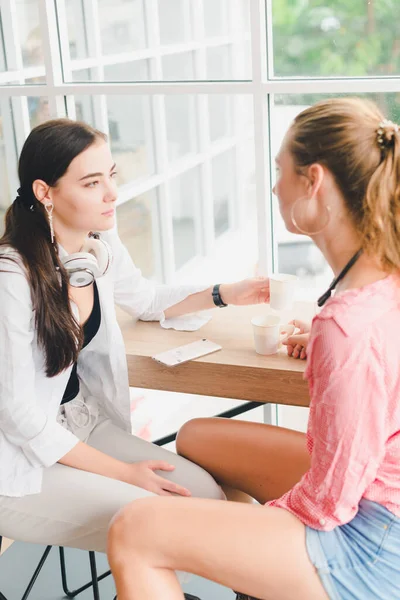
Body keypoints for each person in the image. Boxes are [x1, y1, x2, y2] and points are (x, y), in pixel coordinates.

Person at [106, 98, 400, 600]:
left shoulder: (347, 327)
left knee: (135, 530)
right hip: (375, 489)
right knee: (199, 437)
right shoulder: (375, 288)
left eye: (279, 170)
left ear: (315, 181)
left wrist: (252, 529)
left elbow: (330, 500)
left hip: (373, 541)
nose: (272, 186)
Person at [0, 119, 271, 562]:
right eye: (92, 182)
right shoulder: (11, 276)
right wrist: (126, 473)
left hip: (78, 422)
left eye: (112, 175)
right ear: (45, 192)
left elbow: (145, 299)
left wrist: (225, 293)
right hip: (16, 462)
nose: (112, 193)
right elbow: (16, 414)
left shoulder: (97, 243)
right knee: (165, 521)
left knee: (205, 494)